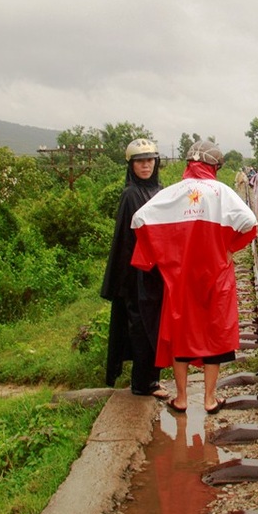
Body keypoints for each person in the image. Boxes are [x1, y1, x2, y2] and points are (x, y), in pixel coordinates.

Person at [131, 141, 258, 415]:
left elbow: (140, 219)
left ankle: (181, 398)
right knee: (214, 333)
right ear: (214, 166)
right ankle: (210, 399)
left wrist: (160, 254)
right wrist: (228, 246)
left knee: (181, 334)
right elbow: (250, 222)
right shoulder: (222, 192)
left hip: (180, 277)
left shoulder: (171, 193)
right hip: (216, 275)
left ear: (189, 163)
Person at [100, 138, 168, 398]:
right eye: (140, 161)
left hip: (156, 272)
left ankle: (152, 379)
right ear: (131, 165)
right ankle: (142, 384)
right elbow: (126, 240)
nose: (146, 165)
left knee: (156, 326)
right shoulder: (130, 194)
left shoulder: (159, 190)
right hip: (137, 274)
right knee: (140, 328)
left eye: (150, 160)